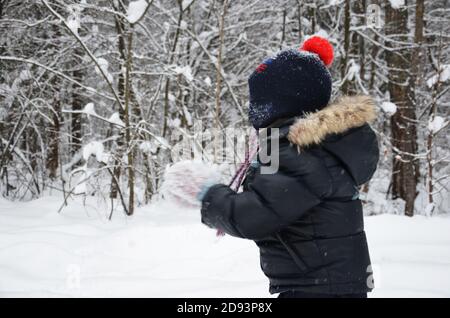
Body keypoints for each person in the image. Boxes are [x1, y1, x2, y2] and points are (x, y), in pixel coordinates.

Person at [199, 36, 379, 298]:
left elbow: (256, 215)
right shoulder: (310, 145)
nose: (253, 110)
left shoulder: (299, 150)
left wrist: (206, 194)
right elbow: (267, 200)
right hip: (325, 284)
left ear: (284, 102)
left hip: (318, 289)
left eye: (259, 101)